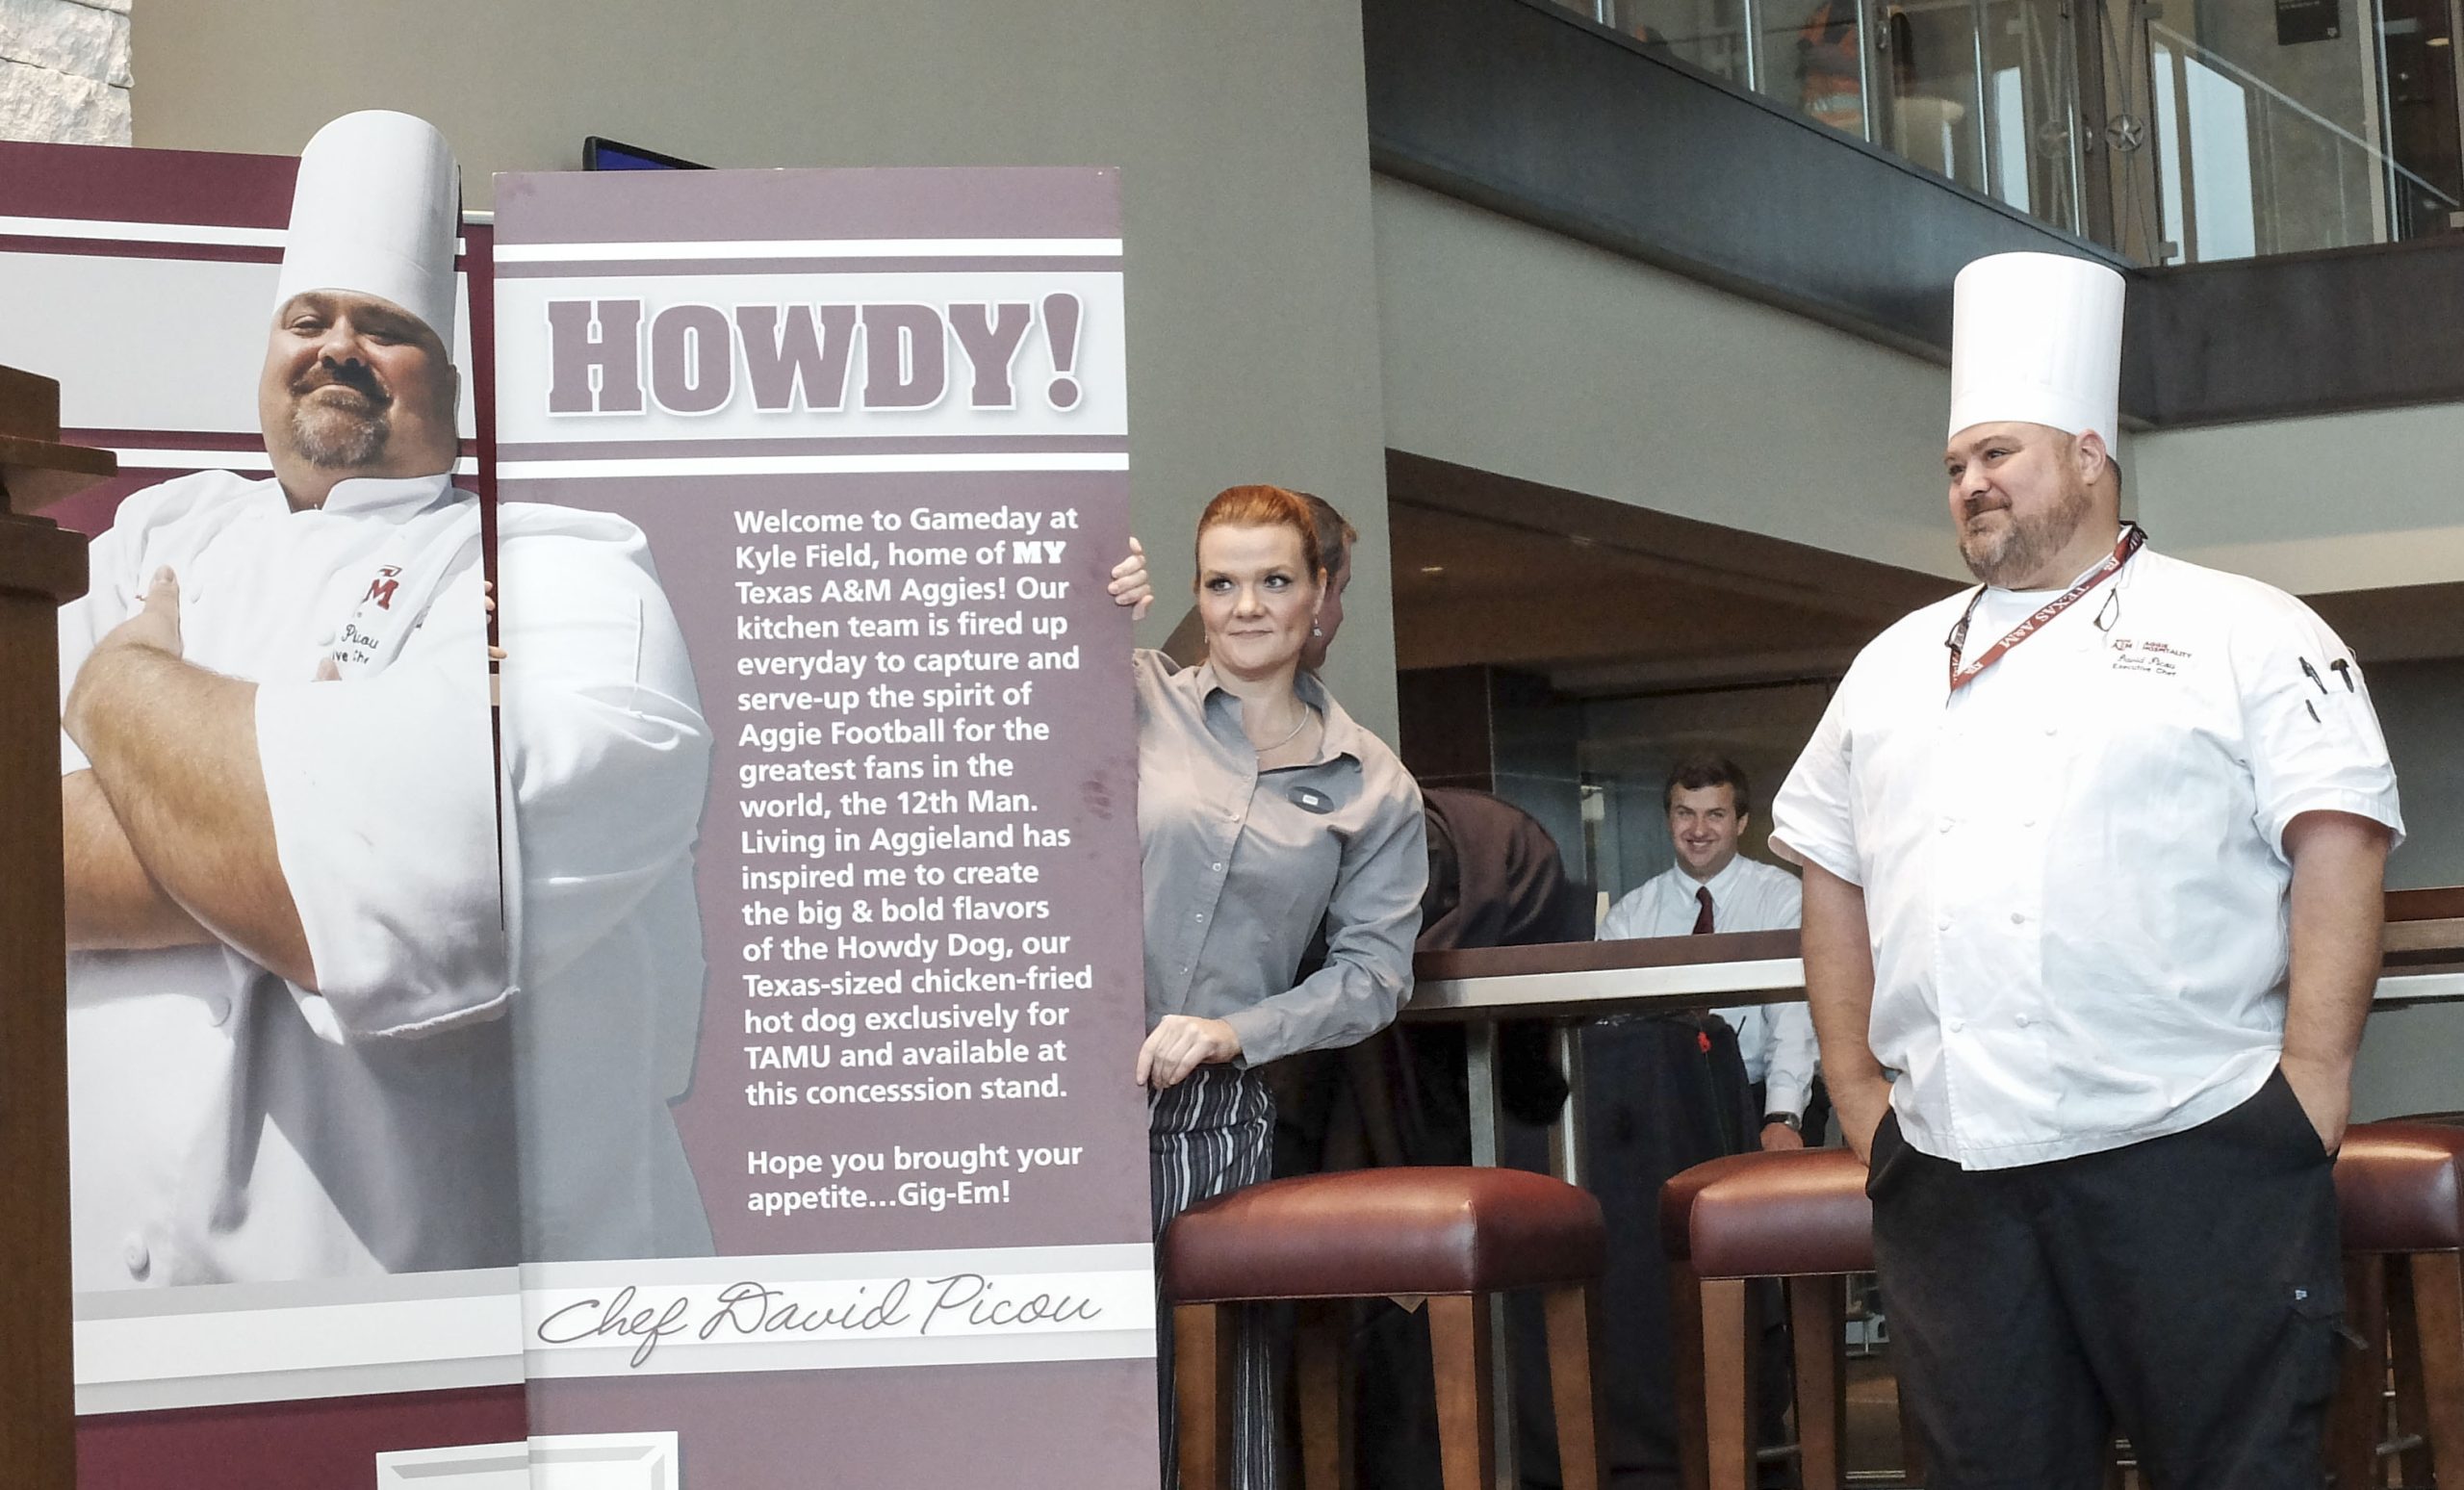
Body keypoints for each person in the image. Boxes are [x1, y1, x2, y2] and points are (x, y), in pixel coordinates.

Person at [1770, 250, 2401, 1487]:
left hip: (2198, 1144)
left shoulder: (2245, 627)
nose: (1969, 485)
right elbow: (1829, 867)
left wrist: (2312, 1078)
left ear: (2087, 453)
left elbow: (2339, 840)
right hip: (1952, 1170)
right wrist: (1855, 1090)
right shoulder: (1892, 662)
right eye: (1956, 466)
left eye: (1997, 455)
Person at [58, 110, 711, 1289]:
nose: (337, 345)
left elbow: (377, 886)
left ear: (453, 378)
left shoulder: (560, 569)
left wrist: (122, 684)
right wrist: (269, 779)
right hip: (93, 1326)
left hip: (423, 1319)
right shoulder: (160, 533)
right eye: (307, 319)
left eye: (389, 327)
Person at [1116, 483, 1427, 1490]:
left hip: (1214, 1122)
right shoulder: (1124, 698)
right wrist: (1074, 618)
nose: (1246, 607)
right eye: (1221, 582)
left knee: (1219, 1427)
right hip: (1067, 1112)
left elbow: (1373, 979)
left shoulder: (1374, 784)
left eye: (1274, 581)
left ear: (1320, 593)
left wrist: (1230, 1031)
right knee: (1068, 1402)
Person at [1599, 754, 1820, 1150]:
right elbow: (1610, 1031)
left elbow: (1793, 1020)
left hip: (1759, 1101)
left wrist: (1782, 1117)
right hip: (1661, 1110)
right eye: (1685, 813)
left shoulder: (1785, 900)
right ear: (1669, 819)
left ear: (1741, 823)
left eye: (1715, 815)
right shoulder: (1629, 917)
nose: (1698, 830)